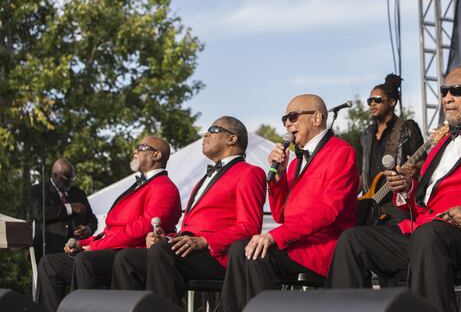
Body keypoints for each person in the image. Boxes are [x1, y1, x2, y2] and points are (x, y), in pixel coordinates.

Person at [326, 64, 461, 311]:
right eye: (444, 91)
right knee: (353, 239)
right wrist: (406, 188)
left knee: (429, 236)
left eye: (456, 91)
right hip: (425, 232)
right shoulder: (441, 143)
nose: (447, 98)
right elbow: (425, 200)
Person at [220, 94, 359, 312]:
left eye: (292, 117)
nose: (287, 123)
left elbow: (329, 210)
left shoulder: (341, 152)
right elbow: (280, 215)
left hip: (322, 246)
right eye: (284, 119)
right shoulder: (294, 164)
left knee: (258, 253)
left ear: (316, 118)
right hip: (295, 243)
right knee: (240, 248)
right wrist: (279, 178)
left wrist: (274, 236)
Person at [111, 116, 266, 307]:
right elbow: (190, 228)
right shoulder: (205, 178)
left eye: (213, 129)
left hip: (217, 255)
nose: (205, 133)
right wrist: (166, 238)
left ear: (232, 139)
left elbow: (249, 227)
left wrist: (204, 240)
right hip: (186, 249)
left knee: (161, 253)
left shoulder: (250, 172)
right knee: (126, 258)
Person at [36, 135, 181, 312]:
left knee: (85, 260)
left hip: (130, 253)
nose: (135, 151)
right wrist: (84, 243)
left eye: (141, 147)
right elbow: (110, 230)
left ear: (156, 155)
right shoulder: (139, 184)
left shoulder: (164, 187)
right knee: (49, 263)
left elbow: (142, 228)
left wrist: (97, 247)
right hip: (109, 247)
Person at [360, 73, 425, 223]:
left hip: (397, 205)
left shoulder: (408, 128)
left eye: (378, 100)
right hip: (370, 206)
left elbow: (422, 164)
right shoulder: (366, 135)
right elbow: (360, 172)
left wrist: (415, 171)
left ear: (392, 102)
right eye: (370, 100)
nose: (372, 104)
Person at [29, 158, 98, 264]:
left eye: (72, 179)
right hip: (49, 252)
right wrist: (70, 208)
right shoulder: (39, 190)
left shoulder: (78, 193)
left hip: (75, 255)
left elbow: (92, 220)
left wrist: (87, 229)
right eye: (67, 179)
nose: (70, 182)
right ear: (55, 175)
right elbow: (39, 213)